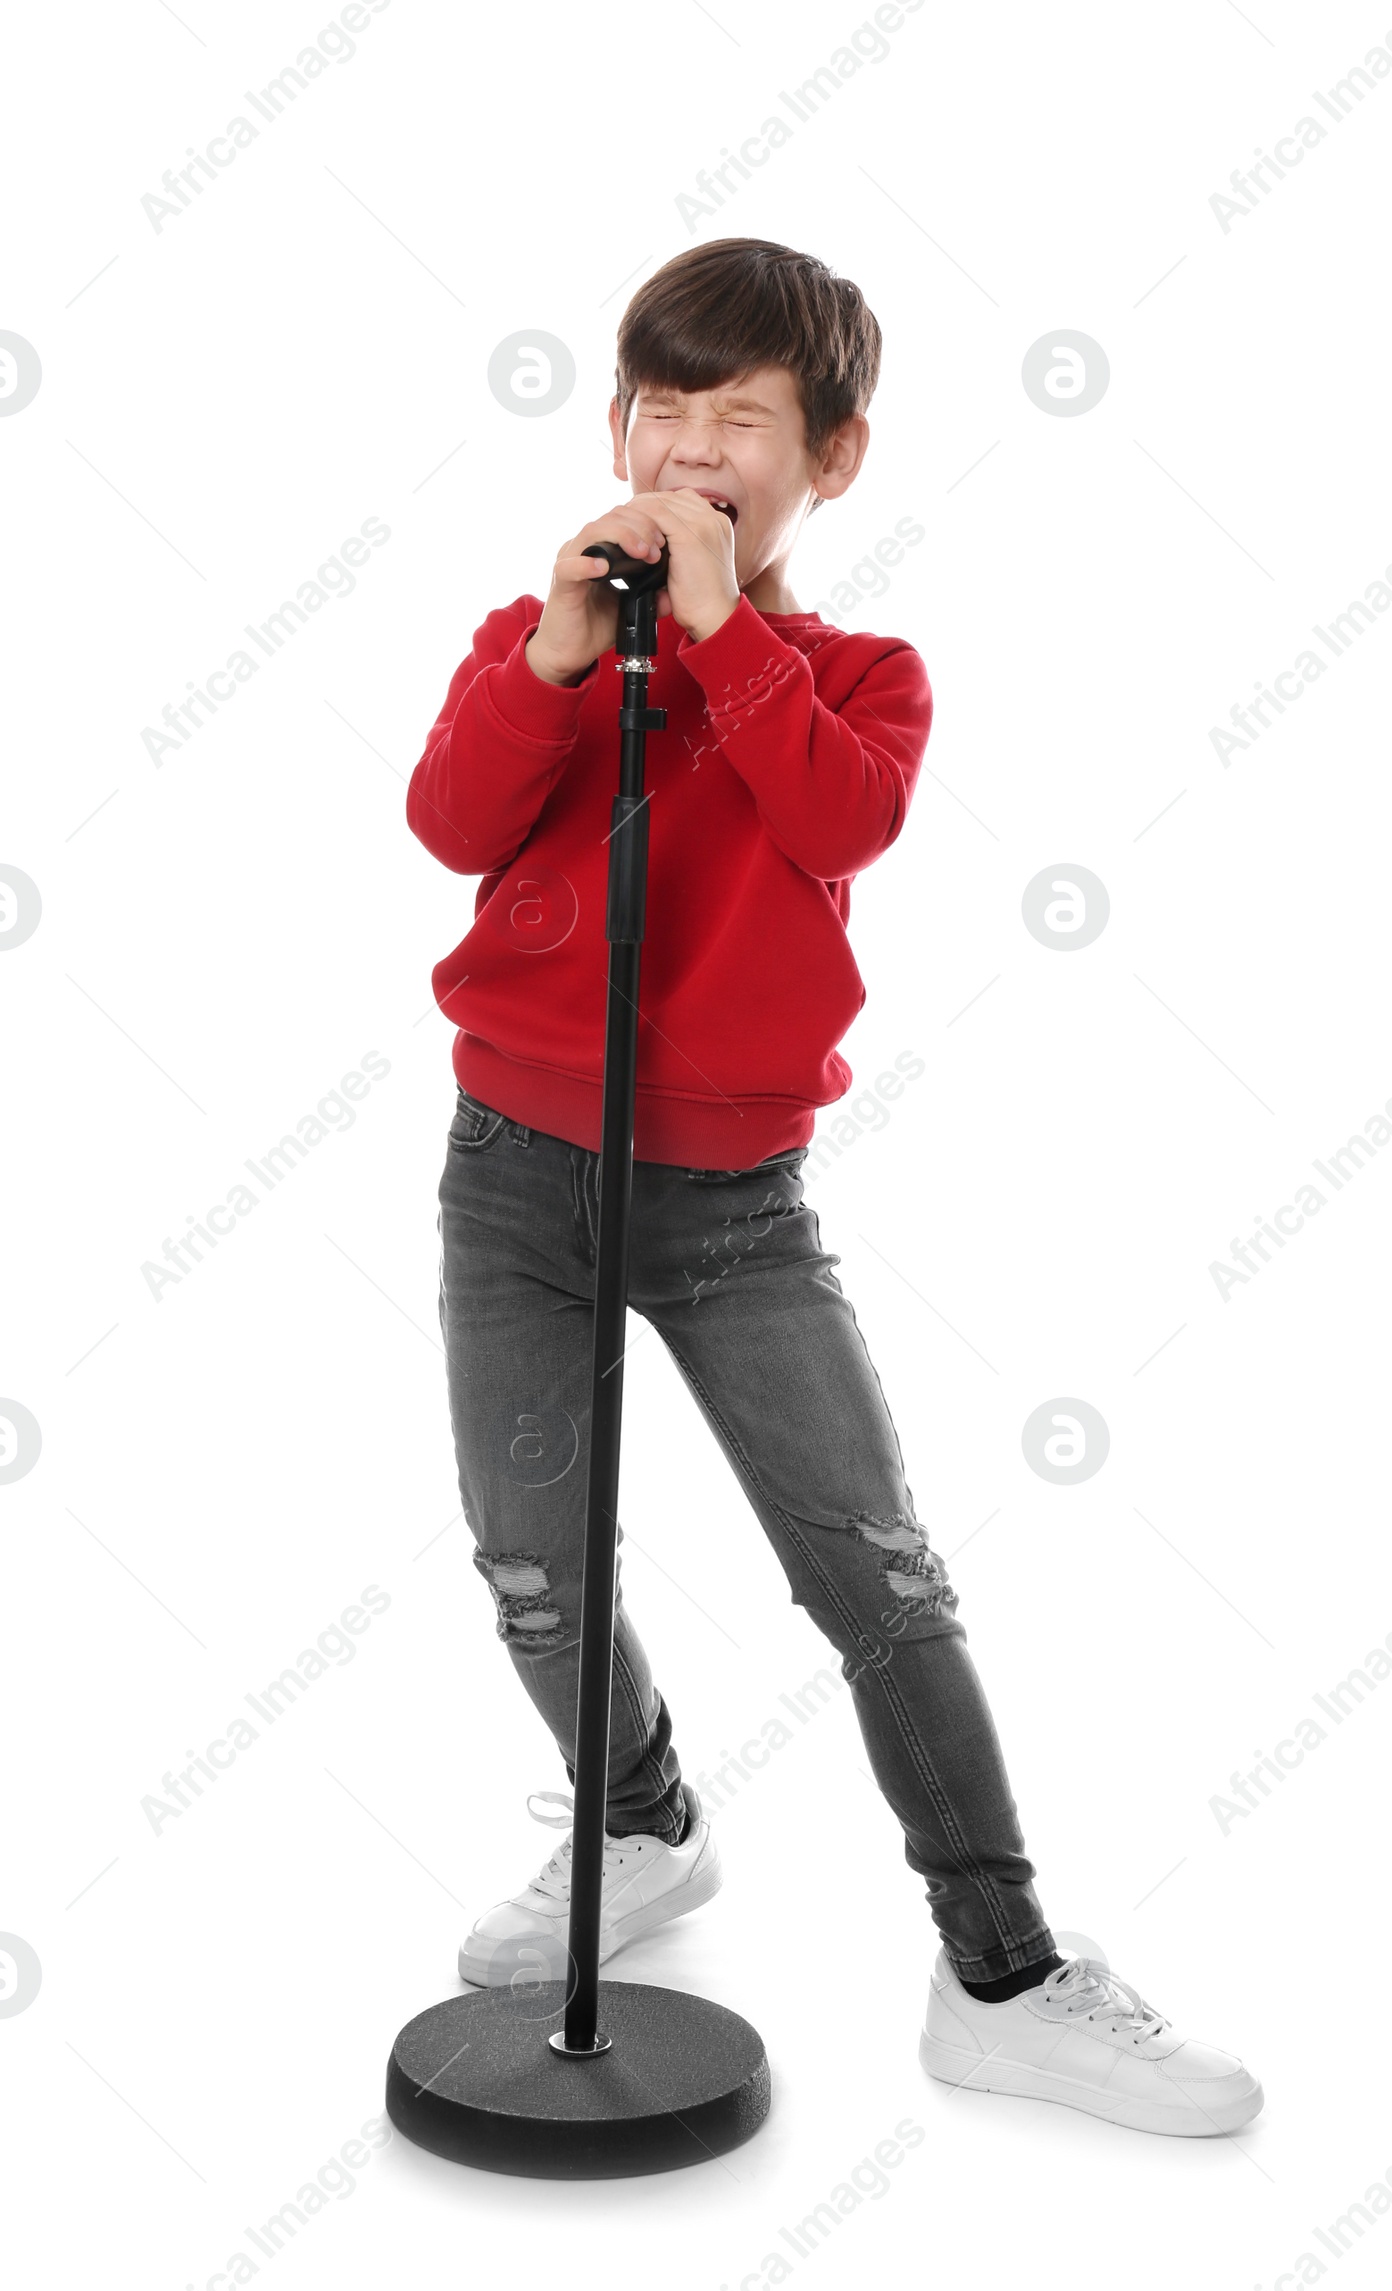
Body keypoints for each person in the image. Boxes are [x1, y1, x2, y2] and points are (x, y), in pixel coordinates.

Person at [405, 235, 1262, 2137]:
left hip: (730, 1207)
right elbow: (453, 822)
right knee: (535, 1567)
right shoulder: (540, 638)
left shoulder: (857, 673)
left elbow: (838, 815)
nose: (693, 444)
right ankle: (639, 1824)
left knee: (872, 1569)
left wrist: (722, 634)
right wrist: (556, 651)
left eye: (745, 418)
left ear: (835, 460)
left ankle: (1009, 1972)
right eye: (664, 405)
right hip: (514, 1175)